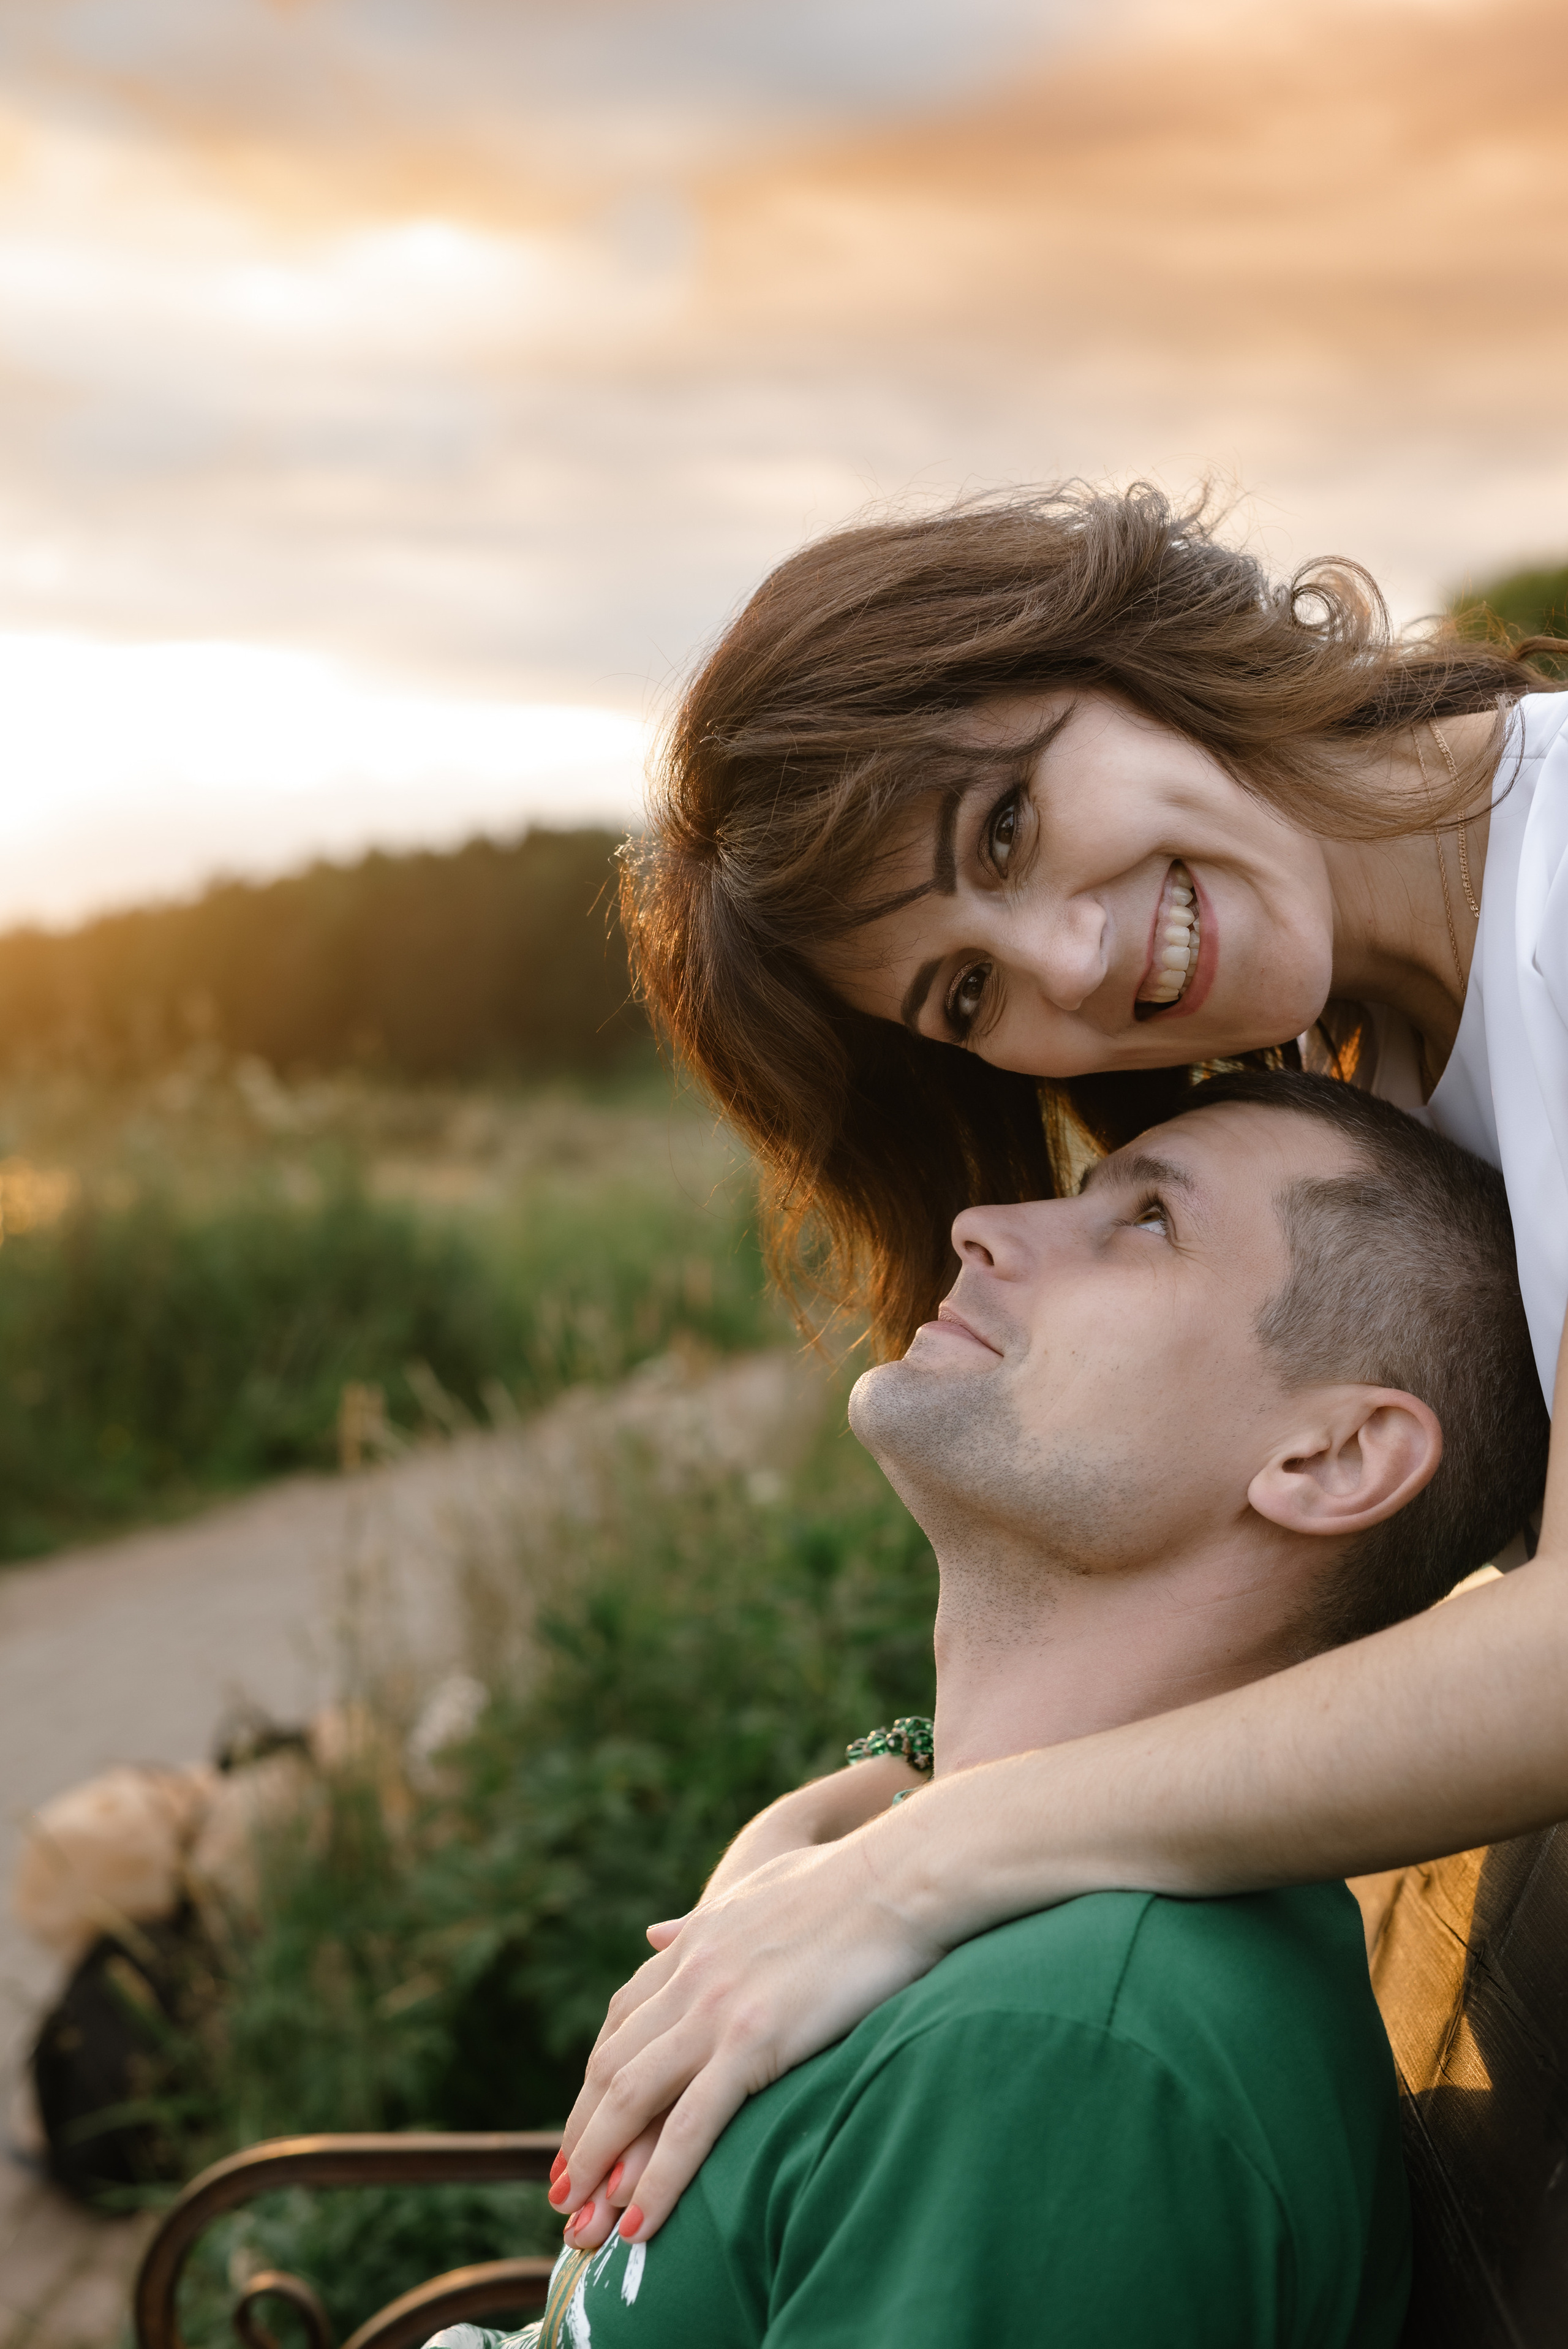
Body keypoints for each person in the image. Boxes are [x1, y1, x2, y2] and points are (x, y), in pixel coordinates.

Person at [553, 483, 1568, 2242]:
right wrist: (874, 1801)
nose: (1080, 966)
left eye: (1009, 826)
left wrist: (930, 1862)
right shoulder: (1363, 1074)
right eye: (962, 994)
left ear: (1111, 646)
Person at [473, 1073, 1548, 2345]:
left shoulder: (1061, 2062)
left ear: (1330, 1458)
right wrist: (872, 1803)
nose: (983, 1221)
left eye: (1146, 1222)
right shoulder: (941, 1912)